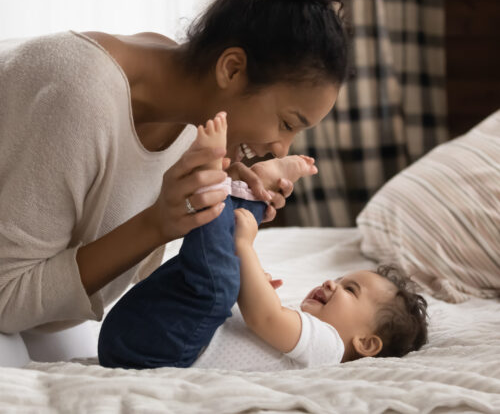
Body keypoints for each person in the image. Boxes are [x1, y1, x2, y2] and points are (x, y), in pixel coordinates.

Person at [0, 0, 362, 365]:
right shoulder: (81, 94)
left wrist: (220, 210)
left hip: (37, 318)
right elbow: (6, 298)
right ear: (231, 69)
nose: (280, 149)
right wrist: (158, 223)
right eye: (286, 123)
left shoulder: (189, 107)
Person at [98, 112, 429, 371]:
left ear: (366, 344)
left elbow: (263, 318)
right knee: (211, 266)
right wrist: (252, 278)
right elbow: (259, 317)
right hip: (148, 337)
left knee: (221, 278)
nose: (332, 282)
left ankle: (211, 180)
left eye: (349, 290)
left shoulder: (328, 346)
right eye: (342, 280)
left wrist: (245, 249)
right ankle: (253, 191)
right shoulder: (308, 335)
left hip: (163, 349)